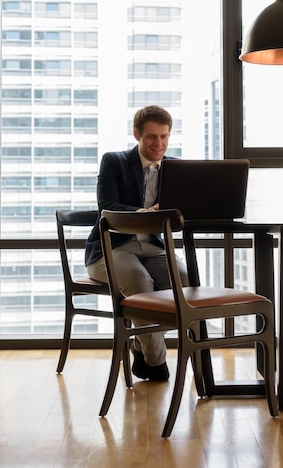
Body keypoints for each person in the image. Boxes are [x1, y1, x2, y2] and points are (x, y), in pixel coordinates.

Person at [85, 105, 189, 381]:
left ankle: (140, 344)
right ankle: (155, 362)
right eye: (152, 137)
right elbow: (106, 206)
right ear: (137, 135)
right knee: (139, 281)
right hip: (112, 247)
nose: (160, 144)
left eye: (164, 136)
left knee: (184, 280)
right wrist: (142, 214)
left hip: (153, 247)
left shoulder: (175, 168)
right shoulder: (114, 162)